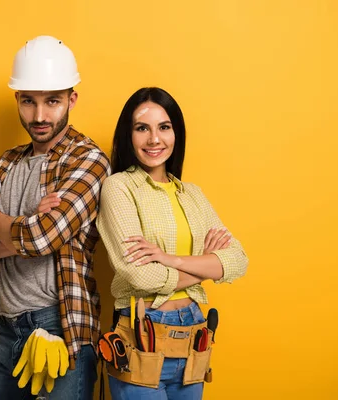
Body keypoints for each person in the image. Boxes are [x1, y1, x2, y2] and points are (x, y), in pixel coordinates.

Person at [0, 35, 111, 400]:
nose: (39, 116)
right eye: (29, 102)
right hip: (4, 329)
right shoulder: (7, 162)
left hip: (59, 327)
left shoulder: (88, 160)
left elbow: (42, 238)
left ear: (71, 100)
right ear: (18, 100)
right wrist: (22, 226)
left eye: (52, 101)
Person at [96, 87, 248, 399]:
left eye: (164, 127)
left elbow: (238, 259)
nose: (154, 139)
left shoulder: (192, 194)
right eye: (142, 128)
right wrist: (206, 266)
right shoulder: (119, 187)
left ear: (176, 133)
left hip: (194, 333)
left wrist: (171, 259)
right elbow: (139, 275)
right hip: (142, 333)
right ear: (129, 135)